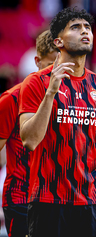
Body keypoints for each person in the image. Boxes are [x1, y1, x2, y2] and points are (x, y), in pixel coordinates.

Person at [19, 7, 96, 237]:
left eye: (88, 27)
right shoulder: (35, 83)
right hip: (49, 201)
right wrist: (51, 92)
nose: (85, 31)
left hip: (92, 201)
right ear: (58, 41)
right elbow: (29, 140)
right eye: (76, 27)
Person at [0, 30, 58, 237]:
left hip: (63, 200)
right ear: (37, 62)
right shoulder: (11, 99)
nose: (57, 73)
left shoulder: (72, 101)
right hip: (22, 200)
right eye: (52, 65)